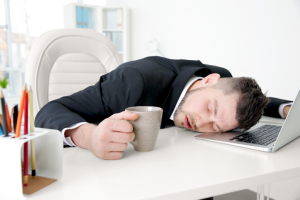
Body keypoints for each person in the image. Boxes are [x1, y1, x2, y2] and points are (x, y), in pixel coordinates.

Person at [35, 56, 292, 160]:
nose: (201, 122)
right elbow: (48, 111)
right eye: (210, 108)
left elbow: (235, 107)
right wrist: (89, 137)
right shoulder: (133, 82)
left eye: (216, 127)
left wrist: (285, 108)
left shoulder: (222, 80)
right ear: (209, 80)